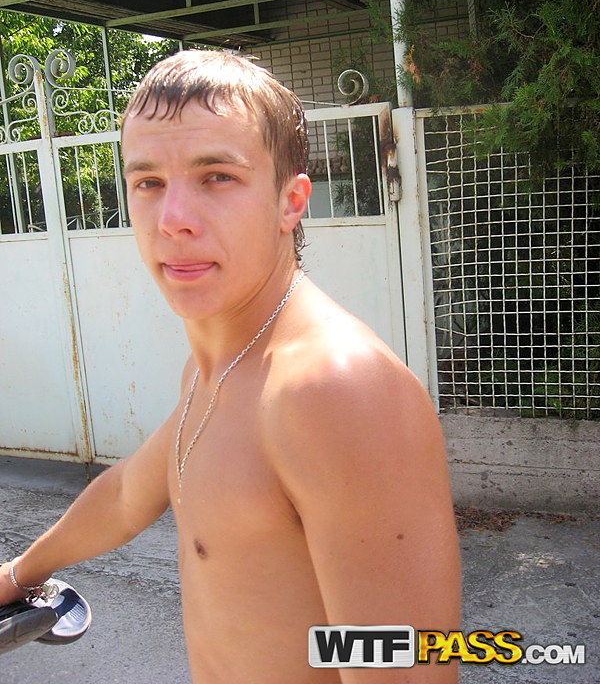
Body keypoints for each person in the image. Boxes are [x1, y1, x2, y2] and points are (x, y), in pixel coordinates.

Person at [0, 50, 460, 682]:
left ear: (290, 201)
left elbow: (400, 666)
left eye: (216, 176)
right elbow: (130, 493)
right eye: (148, 182)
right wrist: (19, 574)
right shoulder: (216, 370)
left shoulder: (336, 391)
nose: (173, 220)